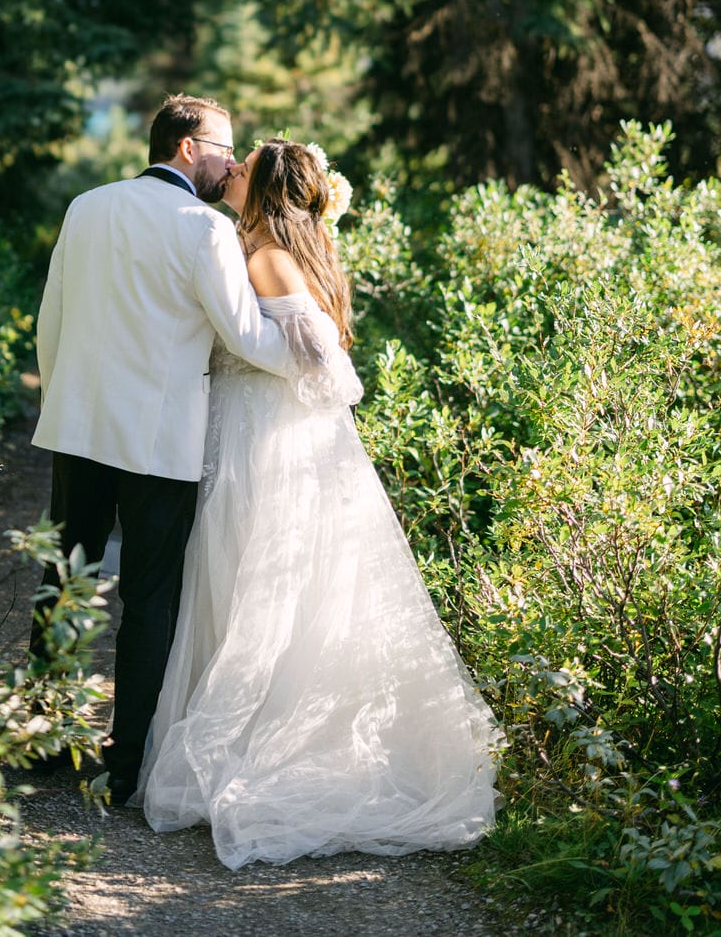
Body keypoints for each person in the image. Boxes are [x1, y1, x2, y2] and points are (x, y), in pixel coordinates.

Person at [138, 138, 501, 869]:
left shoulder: (267, 253)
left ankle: (267, 751)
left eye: (241, 169)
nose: (229, 172)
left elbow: (336, 372)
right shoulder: (269, 246)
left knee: (261, 593)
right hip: (260, 431)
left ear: (266, 189)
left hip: (269, 442)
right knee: (263, 590)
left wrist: (263, 377)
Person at [28, 95, 294, 805]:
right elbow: (244, 337)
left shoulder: (87, 206)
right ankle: (126, 763)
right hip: (157, 441)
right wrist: (311, 350)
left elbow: (49, 322)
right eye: (225, 148)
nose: (233, 163)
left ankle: (45, 740)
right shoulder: (203, 229)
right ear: (187, 147)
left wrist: (60, 403)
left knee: (65, 581)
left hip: (77, 430)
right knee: (150, 600)